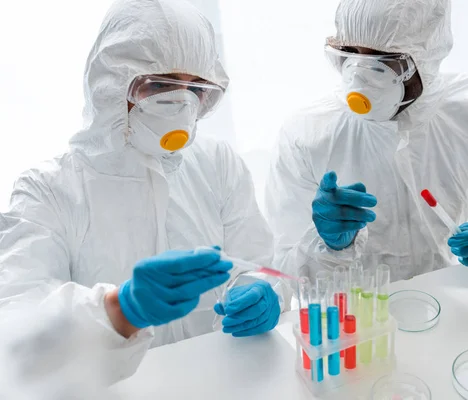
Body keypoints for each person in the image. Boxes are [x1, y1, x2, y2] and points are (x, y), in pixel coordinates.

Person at [0, 0, 283, 382]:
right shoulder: (48, 190)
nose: (181, 102)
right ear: (111, 83)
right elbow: (16, 330)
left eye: (194, 87)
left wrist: (260, 290)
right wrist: (119, 310)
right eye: (162, 84)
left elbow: (254, 261)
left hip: (218, 380)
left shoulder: (216, 163)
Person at [266, 0, 468, 283]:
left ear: (425, 55)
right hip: (355, 325)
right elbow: (281, 274)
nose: (360, 79)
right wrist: (325, 246)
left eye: (384, 60)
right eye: (349, 53)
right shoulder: (308, 134)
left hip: (442, 309)